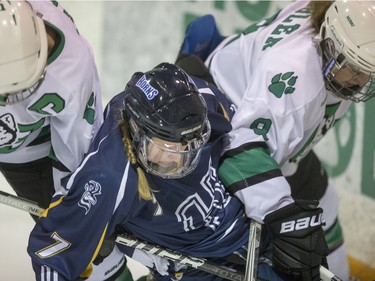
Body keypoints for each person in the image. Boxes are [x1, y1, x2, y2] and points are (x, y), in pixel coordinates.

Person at [27, 63, 329, 281]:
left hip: (255, 231)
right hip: (195, 267)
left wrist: (278, 209)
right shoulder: (108, 177)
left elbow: (235, 141)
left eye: (190, 148)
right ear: (137, 130)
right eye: (166, 149)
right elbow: (51, 255)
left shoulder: (200, 101)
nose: (179, 161)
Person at [176, 0, 375, 280]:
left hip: (255, 120)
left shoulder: (326, 15)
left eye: (367, 71)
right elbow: (239, 150)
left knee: (323, 202)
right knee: (260, 242)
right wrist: (283, 215)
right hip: (215, 133)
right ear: (330, 44)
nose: (361, 80)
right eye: (353, 68)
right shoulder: (296, 78)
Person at [0, 1, 128, 280]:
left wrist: (79, 216)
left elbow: (78, 154)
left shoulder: (73, 66)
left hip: (32, 151)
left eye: (25, 89)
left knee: (86, 248)